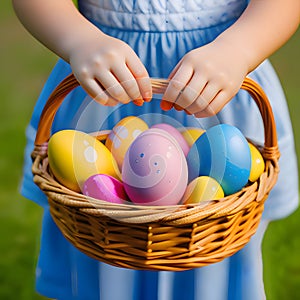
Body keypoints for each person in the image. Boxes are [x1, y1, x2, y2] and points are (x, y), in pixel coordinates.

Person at [13, 0, 299, 299]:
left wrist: (239, 50)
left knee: (214, 240)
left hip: (220, 82)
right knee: (101, 238)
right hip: (104, 80)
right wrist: (78, 39)